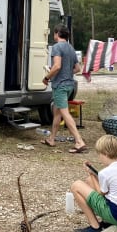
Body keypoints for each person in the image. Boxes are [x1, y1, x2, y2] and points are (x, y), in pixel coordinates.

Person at [40, 24, 87, 154]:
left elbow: (57, 66)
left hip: (60, 86)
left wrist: (47, 78)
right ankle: (51, 139)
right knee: (57, 112)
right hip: (70, 85)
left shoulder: (56, 47)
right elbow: (78, 69)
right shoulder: (71, 48)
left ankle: (79, 141)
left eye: (54, 33)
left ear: (56, 34)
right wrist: (67, 72)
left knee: (64, 113)